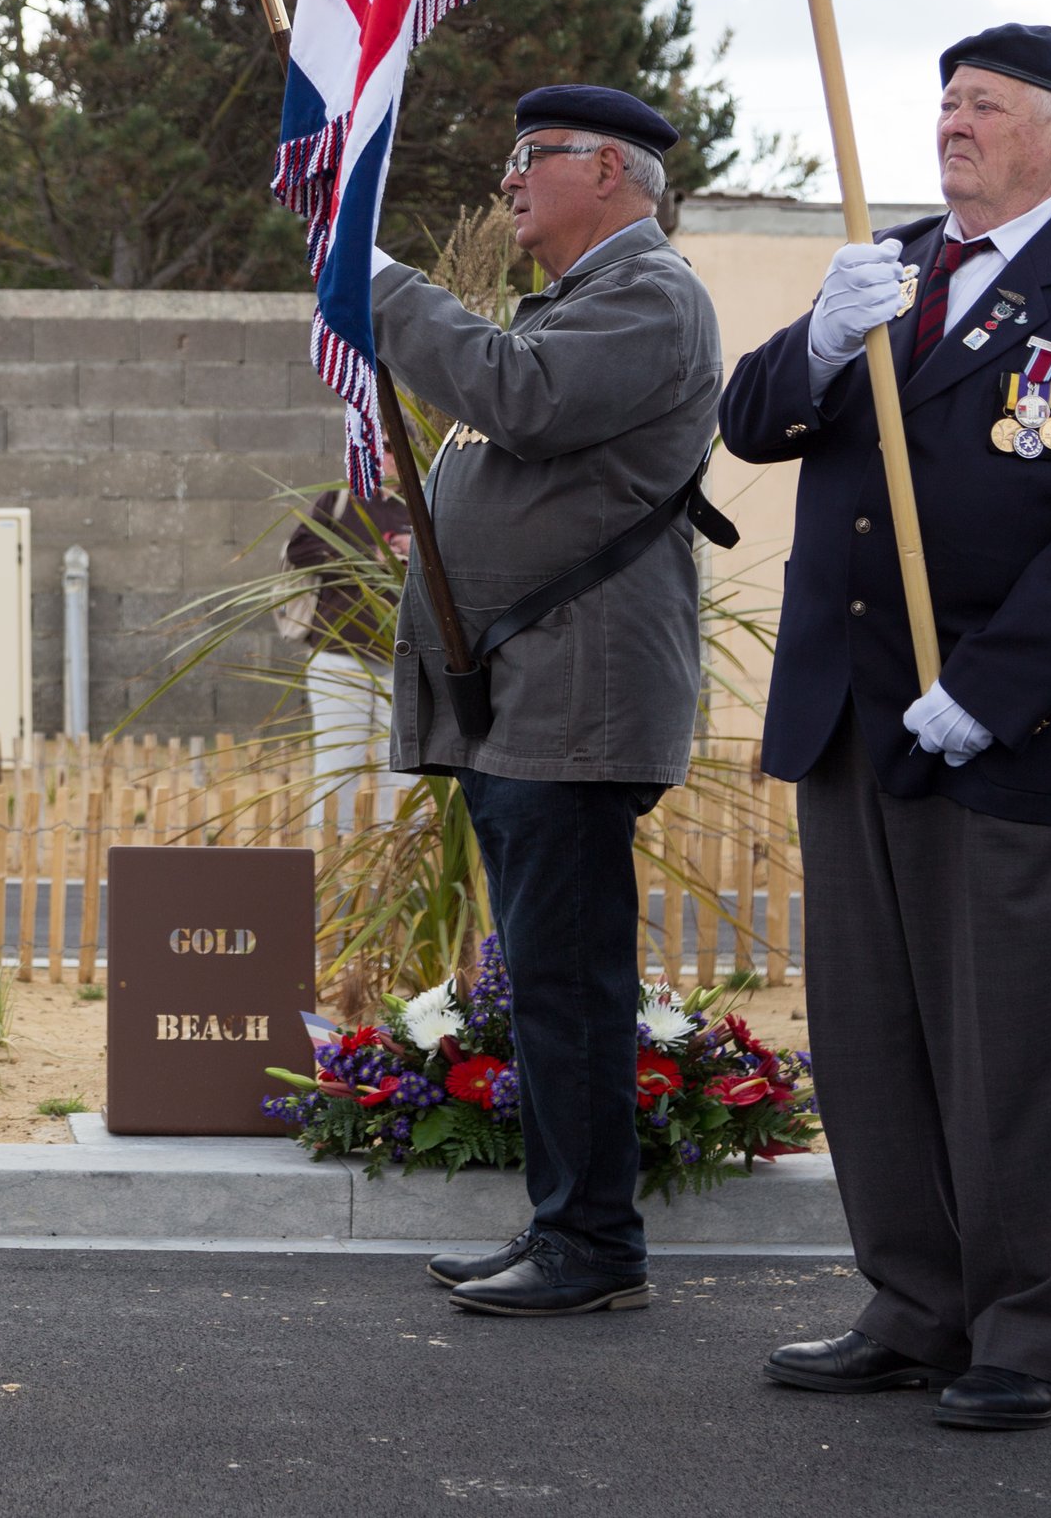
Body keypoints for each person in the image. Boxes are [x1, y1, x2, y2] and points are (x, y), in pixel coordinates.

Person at [719, 24, 1051, 1430]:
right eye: (945, 102)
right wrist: (817, 339)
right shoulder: (895, 274)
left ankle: (1026, 1334)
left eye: (987, 105)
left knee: (1012, 1044)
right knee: (871, 1035)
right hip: (851, 715)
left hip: (1005, 725)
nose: (955, 123)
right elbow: (753, 426)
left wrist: (991, 688)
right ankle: (914, 1302)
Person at [371, 85, 726, 1317]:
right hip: (532, 697)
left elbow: (514, 394)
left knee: (570, 983)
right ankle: (564, 1225)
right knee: (553, 975)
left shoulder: (647, 294)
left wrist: (380, 285)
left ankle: (591, 1245)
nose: (509, 181)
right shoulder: (588, 298)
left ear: (614, 173)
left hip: (573, 699)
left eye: (534, 157)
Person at [282, 460, 412, 829]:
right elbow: (300, 550)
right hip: (340, 654)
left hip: (404, 659)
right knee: (339, 762)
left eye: (391, 445)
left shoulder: (424, 499)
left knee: (406, 767)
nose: (384, 455)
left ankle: (400, 864)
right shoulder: (341, 497)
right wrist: (367, 555)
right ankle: (329, 862)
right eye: (377, 442)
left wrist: (412, 547)